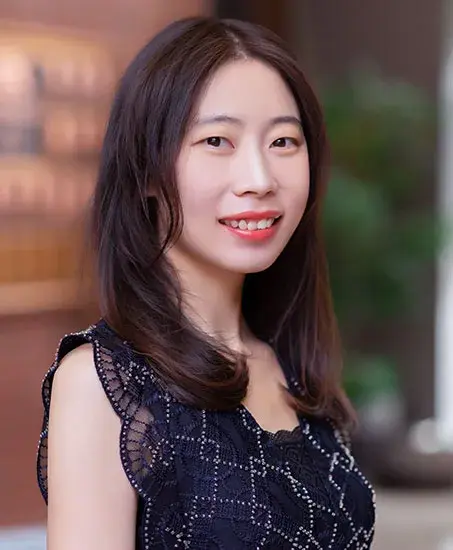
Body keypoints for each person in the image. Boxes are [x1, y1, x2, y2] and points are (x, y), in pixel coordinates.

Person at [36, 16, 375, 550]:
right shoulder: (103, 384)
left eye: (284, 141)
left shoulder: (291, 363)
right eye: (217, 140)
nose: (260, 180)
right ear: (147, 171)